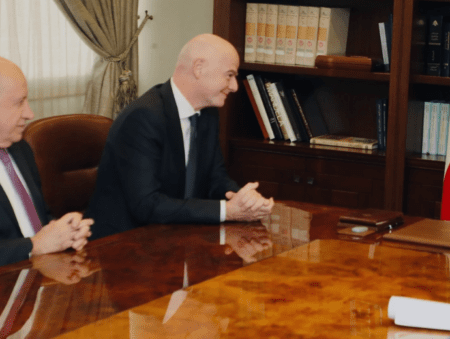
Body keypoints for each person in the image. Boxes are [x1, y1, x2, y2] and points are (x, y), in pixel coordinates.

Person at [86, 34, 274, 239]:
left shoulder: (208, 112)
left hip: (176, 232)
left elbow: (215, 178)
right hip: (124, 241)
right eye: (229, 75)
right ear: (198, 68)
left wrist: (244, 200)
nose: (234, 86)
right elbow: (146, 205)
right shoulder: (144, 117)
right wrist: (226, 211)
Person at [0, 58, 93, 266]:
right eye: (19, 102)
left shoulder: (20, 149)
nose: (29, 113)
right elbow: (34, 242)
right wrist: (33, 246)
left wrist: (65, 233)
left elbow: (37, 219)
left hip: (42, 271)